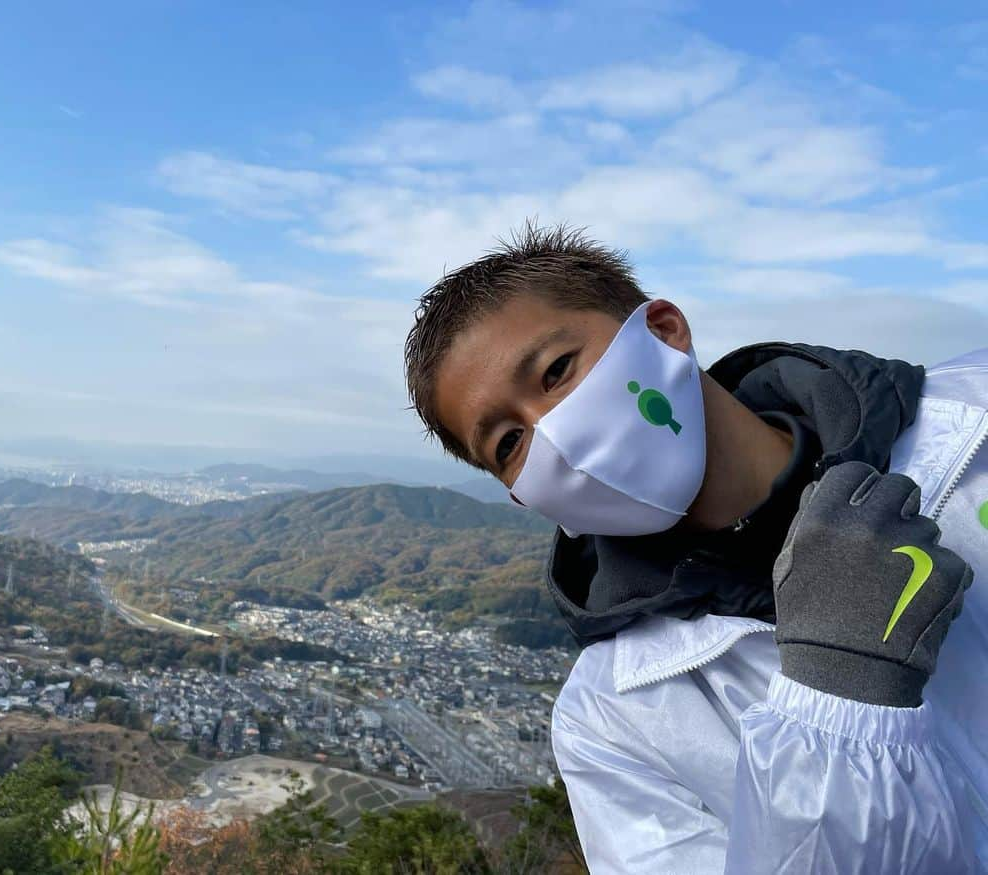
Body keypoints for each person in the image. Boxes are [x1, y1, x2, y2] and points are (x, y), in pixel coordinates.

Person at [403, 224, 988, 873]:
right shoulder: (610, 725)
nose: (554, 435)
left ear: (663, 330)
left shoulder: (973, 418)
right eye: (509, 443)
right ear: (522, 496)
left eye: (557, 370)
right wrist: (835, 698)